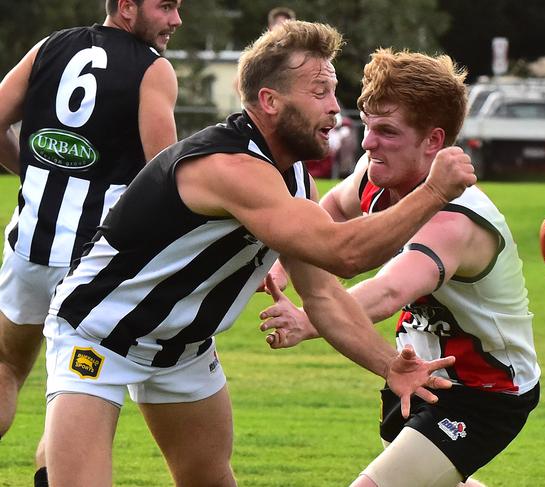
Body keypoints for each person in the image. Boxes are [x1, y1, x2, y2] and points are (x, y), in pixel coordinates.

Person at [41, 22, 476, 487]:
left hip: (182, 349)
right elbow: (344, 254)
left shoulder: (292, 177)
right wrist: (432, 191)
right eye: (320, 91)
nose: (335, 108)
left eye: (334, 92)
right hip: (98, 334)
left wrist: (390, 365)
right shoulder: (228, 167)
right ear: (270, 101)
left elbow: (325, 297)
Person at [259, 48, 541, 487]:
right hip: (414, 369)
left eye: (387, 131)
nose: (368, 142)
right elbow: (332, 208)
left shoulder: (456, 220)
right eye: (368, 125)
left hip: (482, 394)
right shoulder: (378, 175)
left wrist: (308, 319)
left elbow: (390, 291)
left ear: (433, 140)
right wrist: (284, 262)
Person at [0, 0, 182, 484]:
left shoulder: (48, 47)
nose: (176, 20)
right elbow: (163, 177)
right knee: (73, 396)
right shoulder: (153, 69)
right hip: (93, 266)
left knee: (5, 368)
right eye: (166, 7)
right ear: (127, 7)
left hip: (28, 250)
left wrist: (33, 170)